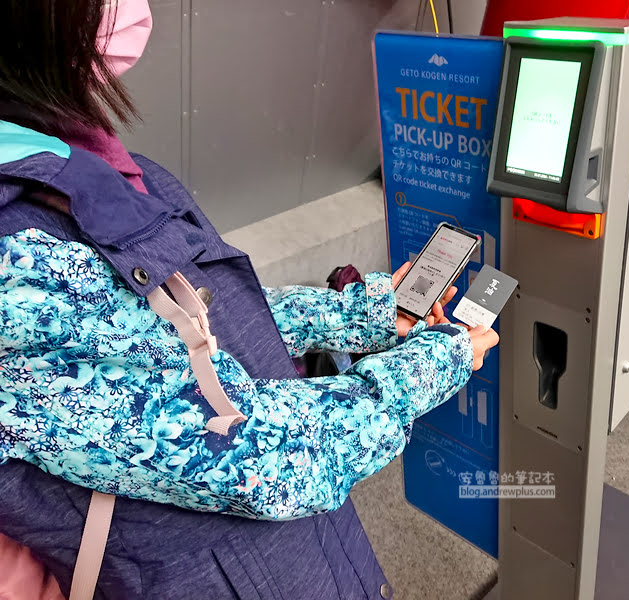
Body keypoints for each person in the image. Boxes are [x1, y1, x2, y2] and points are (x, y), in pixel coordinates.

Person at [0, 1, 499, 598]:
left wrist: (350, 315)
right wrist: (433, 362)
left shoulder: (69, 156)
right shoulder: (17, 254)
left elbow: (189, 331)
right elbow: (261, 460)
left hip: (295, 557)